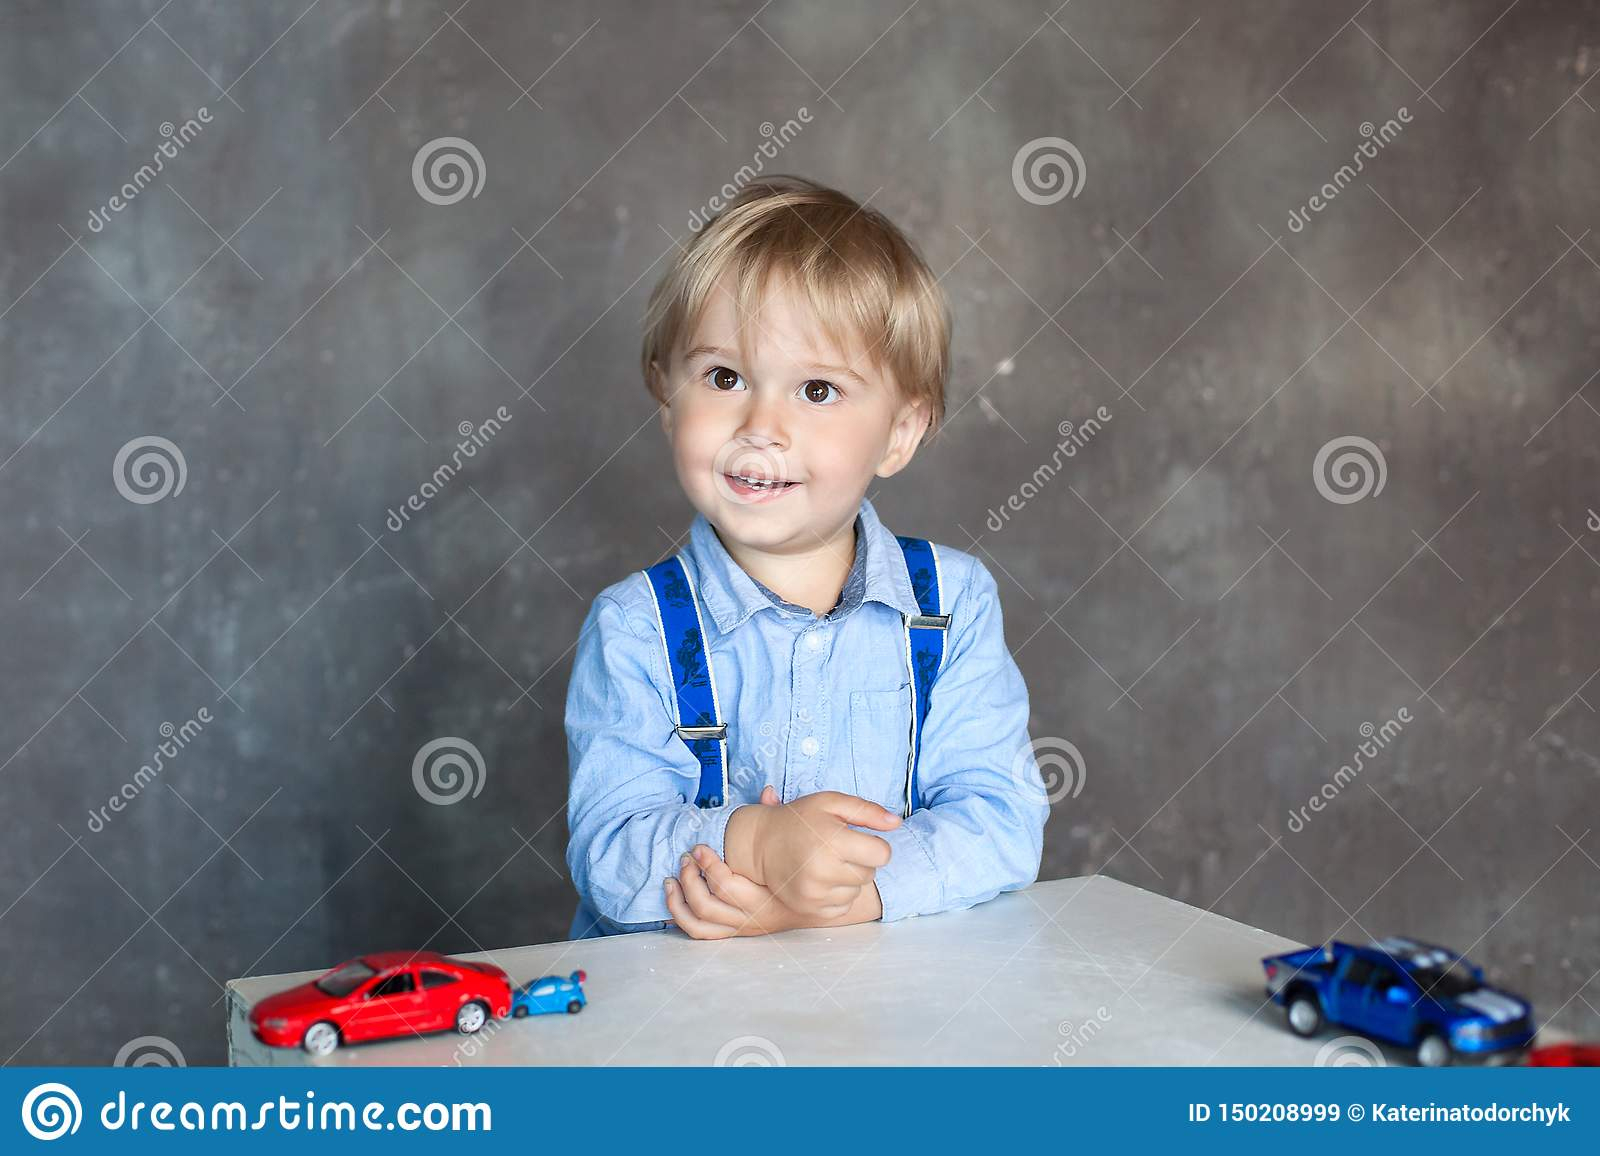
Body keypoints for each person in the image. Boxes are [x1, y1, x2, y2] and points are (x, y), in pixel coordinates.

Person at [564, 175, 1047, 940]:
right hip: (683, 1028)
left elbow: (1002, 817)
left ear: (900, 433)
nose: (762, 425)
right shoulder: (637, 628)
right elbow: (609, 853)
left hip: (881, 1020)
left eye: (818, 390)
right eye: (725, 378)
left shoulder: (951, 606)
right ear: (667, 398)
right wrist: (758, 845)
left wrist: (845, 893)